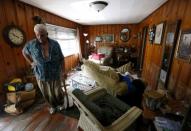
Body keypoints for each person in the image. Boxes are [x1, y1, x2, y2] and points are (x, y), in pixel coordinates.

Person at [22, 24, 68, 114]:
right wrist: (31, 62)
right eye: (37, 35)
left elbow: (61, 58)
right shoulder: (31, 45)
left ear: (47, 34)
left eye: (42, 35)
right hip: (41, 74)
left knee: (57, 91)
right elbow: (24, 52)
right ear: (35, 34)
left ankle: (61, 104)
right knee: (46, 93)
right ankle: (52, 106)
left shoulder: (55, 44)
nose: (40, 37)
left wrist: (63, 71)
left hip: (55, 73)